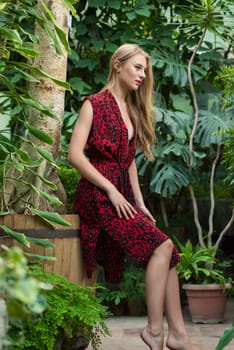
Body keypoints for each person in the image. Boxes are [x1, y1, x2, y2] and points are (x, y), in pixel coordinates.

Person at [68, 43, 193, 350]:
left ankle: (177, 335)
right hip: (97, 195)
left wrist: (140, 203)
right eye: (137, 67)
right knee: (162, 247)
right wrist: (110, 189)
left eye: (144, 70)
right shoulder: (94, 103)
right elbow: (74, 155)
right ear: (117, 65)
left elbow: (129, 161)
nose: (142, 75)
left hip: (122, 195)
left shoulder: (131, 109)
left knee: (170, 255)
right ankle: (153, 330)